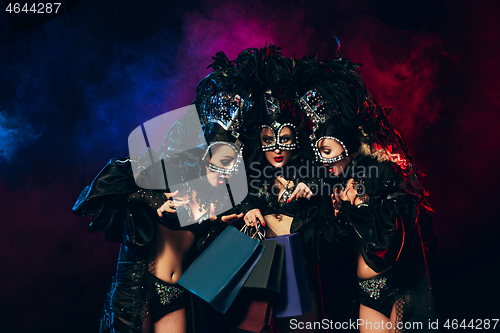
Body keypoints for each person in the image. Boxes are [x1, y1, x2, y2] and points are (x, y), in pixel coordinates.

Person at [294, 53, 437, 332]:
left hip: (397, 290)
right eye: (318, 152)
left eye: (327, 151)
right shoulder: (340, 179)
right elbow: (329, 246)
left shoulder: (382, 171)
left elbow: (389, 240)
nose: (323, 161)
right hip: (368, 292)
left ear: (345, 144)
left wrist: (356, 206)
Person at [73, 102, 245, 332]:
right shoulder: (166, 175)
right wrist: (153, 201)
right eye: (224, 163)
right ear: (205, 154)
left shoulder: (217, 200)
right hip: (138, 287)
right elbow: (108, 184)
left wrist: (217, 226)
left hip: (177, 294)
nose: (228, 173)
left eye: (234, 166)